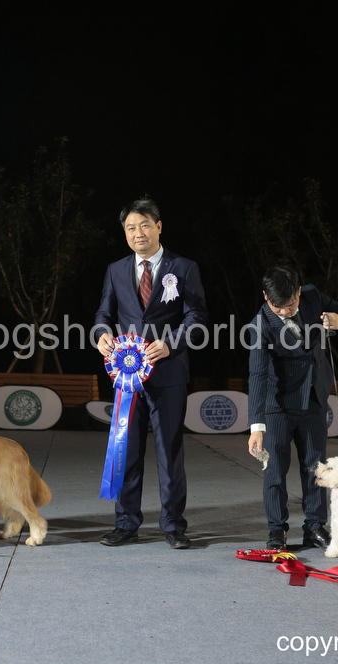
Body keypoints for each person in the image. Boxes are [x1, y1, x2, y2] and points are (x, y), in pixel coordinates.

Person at [94, 197, 208, 549]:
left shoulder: (183, 267)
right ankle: (126, 523)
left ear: (158, 227)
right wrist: (102, 335)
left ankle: (173, 525)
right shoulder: (115, 269)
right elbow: (103, 314)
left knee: (169, 451)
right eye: (130, 227)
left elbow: (197, 317)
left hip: (168, 375)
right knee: (126, 450)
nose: (137, 232)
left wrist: (171, 343)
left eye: (144, 225)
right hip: (126, 376)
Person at [246, 266, 338, 550]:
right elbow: (257, 375)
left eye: (290, 304)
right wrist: (256, 427)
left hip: (313, 398)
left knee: (316, 468)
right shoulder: (259, 324)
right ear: (265, 296)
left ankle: (315, 527)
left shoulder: (312, 296)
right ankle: (277, 530)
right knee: (275, 470)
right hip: (278, 405)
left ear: (299, 292)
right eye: (278, 307)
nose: (285, 311)